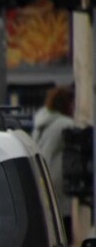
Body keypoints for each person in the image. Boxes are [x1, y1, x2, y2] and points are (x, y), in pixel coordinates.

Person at [34, 84, 77, 226]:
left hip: (43, 175)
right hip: (58, 179)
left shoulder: (42, 122)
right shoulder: (65, 125)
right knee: (62, 220)